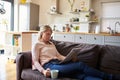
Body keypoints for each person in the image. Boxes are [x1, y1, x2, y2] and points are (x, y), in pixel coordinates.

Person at [32, 25, 118, 80]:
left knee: (80, 75)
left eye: (50, 34)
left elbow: (58, 55)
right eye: (47, 34)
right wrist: (43, 71)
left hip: (59, 63)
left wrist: (68, 58)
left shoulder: (51, 44)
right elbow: (35, 61)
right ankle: (111, 77)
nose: (49, 36)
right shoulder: (37, 44)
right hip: (49, 66)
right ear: (41, 33)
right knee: (80, 65)